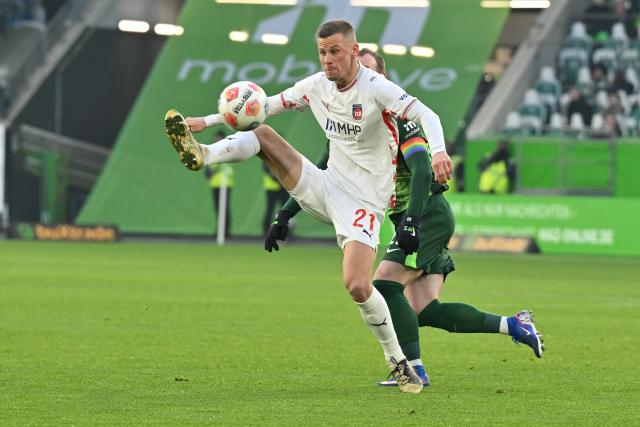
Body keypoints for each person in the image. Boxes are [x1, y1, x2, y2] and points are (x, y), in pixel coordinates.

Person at [164, 19, 453, 393]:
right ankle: (204, 155)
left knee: (357, 285)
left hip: (363, 202)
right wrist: (206, 121)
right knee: (261, 131)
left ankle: (398, 362)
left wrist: (441, 152)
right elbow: (261, 106)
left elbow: (428, 115)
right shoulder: (316, 86)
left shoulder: (377, 88)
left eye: (335, 51)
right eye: (322, 52)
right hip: (326, 185)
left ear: (352, 49)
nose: (328, 60)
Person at [265, 49, 544, 388]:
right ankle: (515, 325)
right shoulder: (349, 127)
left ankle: (413, 371)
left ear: (382, 75)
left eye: (368, 70)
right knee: (425, 310)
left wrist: (411, 220)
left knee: (382, 285)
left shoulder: (399, 114)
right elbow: (325, 175)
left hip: (425, 214)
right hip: (412, 218)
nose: (359, 77)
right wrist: (284, 214)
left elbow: (423, 167)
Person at [203, 130, 234, 238]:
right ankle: (220, 230)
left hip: (225, 184)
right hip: (215, 184)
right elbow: (208, 167)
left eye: (218, 139)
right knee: (218, 208)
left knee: (224, 208)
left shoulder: (227, 151)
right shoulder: (212, 151)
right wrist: (208, 174)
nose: (216, 140)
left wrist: (213, 171)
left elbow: (220, 166)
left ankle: (225, 231)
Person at [262, 163, 290, 235]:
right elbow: (266, 168)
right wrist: (279, 179)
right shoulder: (268, 155)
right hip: (272, 187)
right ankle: (266, 231)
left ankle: (285, 231)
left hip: (283, 187)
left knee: (285, 210)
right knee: (270, 210)